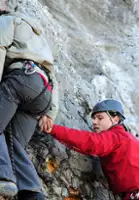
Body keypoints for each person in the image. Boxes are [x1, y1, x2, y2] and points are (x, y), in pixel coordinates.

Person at [0, 2, 58, 200]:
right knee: (14, 141)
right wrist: (51, 112)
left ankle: (3, 177)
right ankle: (32, 193)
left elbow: (0, 47)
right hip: (43, 93)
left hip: (21, 80)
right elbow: (53, 74)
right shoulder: (38, 37)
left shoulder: (6, 21)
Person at [40, 99, 139, 200]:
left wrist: (53, 129)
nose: (94, 122)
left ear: (115, 119)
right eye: (94, 118)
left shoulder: (116, 137)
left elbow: (90, 142)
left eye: (100, 118)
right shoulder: (128, 139)